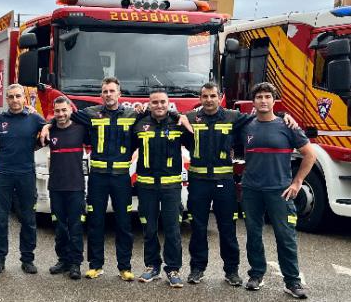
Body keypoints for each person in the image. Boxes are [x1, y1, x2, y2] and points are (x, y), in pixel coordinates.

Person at [184, 82, 298, 287]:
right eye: (204, 96)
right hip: (198, 183)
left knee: (227, 228)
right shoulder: (191, 118)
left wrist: (283, 115)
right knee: (198, 228)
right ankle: (197, 269)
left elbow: (263, 115)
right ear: (199, 99)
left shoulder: (234, 117)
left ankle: (232, 271)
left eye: (213, 96)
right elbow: (169, 117)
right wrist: (177, 116)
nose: (209, 100)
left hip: (225, 183)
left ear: (220, 97)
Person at [239, 82, 316, 299]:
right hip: (251, 190)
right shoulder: (246, 126)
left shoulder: (288, 126)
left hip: (280, 192)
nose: (263, 100)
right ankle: (256, 275)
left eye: (267, 97)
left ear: (274, 101)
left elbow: (310, 154)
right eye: (259, 97)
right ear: (253, 102)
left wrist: (297, 182)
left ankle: (292, 282)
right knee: (253, 235)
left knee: (286, 236)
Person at [69, 77, 138, 281]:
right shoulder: (91, 114)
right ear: (101, 95)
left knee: (124, 223)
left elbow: (157, 117)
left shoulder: (132, 114)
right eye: (105, 91)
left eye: (112, 91)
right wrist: (47, 125)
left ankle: (124, 267)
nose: (108, 94)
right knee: (95, 222)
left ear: (119, 93)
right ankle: (95, 265)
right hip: (98, 178)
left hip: (121, 179)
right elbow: (65, 115)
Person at [133, 88, 193, 288]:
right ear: (149, 104)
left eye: (162, 102)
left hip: (171, 187)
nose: (159, 105)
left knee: (173, 229)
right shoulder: (140, 124)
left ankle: (173, 269)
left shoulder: (177, 123)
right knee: (149, 229)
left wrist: (186, 123)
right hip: (147, 186)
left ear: (169, 104)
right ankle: (152, 266)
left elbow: (194, 143)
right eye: (155, 102)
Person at [0, 84, 46, 275]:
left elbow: (50, 126)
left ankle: (27, 259)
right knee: (0, 219)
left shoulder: (34, 118)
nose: (14, 100)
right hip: (3, 175)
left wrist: (44, 131)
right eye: (11, 97)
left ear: (24, 98)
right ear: (7, 99)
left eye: (18, 96)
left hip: (26, 175)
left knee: (28, 219)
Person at [40, 96, 85, 280]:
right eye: (57, 111)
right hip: (56, 187)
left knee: (75, 226)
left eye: (64, 110)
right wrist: (46, 125)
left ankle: (75, 263)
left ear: (70, 111)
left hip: (75, 186)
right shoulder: (50, 132)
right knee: (59, 226)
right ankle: (63, 260)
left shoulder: (81, 129)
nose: (60, 114)